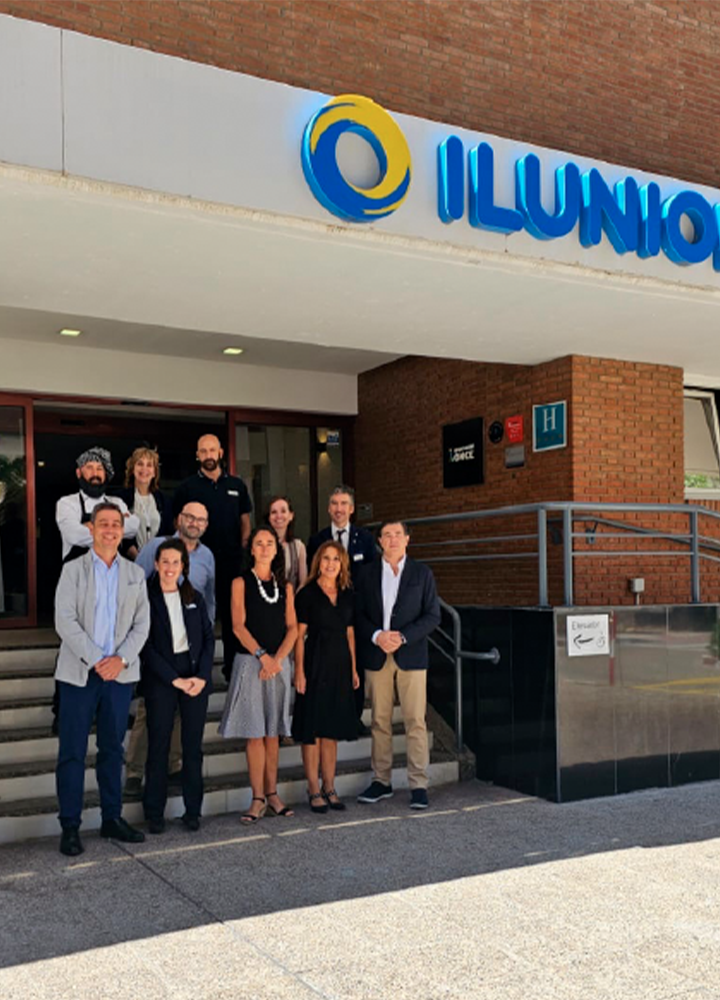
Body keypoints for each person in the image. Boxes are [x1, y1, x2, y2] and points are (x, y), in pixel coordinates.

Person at [54, 502, 150, 856]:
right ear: (90, 529)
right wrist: (98, 660)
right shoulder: (73, 570)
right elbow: (64, 620)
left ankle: (111, 817)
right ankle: (70, 825)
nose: (110, 530)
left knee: (113, 749)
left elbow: (143, 624)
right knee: (72, 752)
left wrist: (120, 659)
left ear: (122, 529)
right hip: (80, 673)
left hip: (120, 675)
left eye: (115, 524)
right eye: (103, 524)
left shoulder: (134, 574)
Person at [125, 501, 216, 796]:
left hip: (189, 649)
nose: (194, 522)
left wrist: (203, 640)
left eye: (200, 519)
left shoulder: (207, 556)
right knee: (147, 717)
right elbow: (136, 584)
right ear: (179, 518)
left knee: (182, 722)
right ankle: (135, 772)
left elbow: (209, 599)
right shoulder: (157, 547)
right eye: (189, 516)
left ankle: (174, 766)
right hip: (158, 646)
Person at [355, 520, 441, 811]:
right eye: (387, 535)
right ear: (379, 540)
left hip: (411, 655)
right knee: (380, 721)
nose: (392, 540)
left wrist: (402, 637)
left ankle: (418, 784)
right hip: (377, 654)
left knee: (415, 721)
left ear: (407, 539)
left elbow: (433, 616)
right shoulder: (365, 574)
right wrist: (378, 636)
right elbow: (358, 614)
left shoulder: (422, 573)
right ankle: (382, 780)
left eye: (397, 535)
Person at [218, 526, 297, 823]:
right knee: (254, 733)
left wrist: (277, 660)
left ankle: (273, 794)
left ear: (277, 549)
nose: (264, 547)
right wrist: (263, 657)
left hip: (278, 664)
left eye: (269, 543)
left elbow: (292, 627)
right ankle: (257, 797)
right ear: (251, 549)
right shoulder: (240, 582)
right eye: (259, 543)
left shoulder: (285, 586)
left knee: (273, 733)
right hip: (252, 663)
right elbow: (238, 626)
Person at [141, 538, 214, 833]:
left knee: (192, 748)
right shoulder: (145, 598)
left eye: (176, 562)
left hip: (194, 676)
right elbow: (144, 646)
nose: (171, 568)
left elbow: (208, 638)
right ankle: (154, 813)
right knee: (158, 745)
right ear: (156, 564)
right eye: (165, 562)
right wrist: (174, 679)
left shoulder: (193, 595)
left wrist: (203, 676)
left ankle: (192, 811)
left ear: (184, 565)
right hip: (162, 678)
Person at [173, 434, 252, 681]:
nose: (208, 455)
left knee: (232, 617)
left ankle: (231, 669)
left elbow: (245, 521)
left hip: (230, 562)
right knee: (196, 613)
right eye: (203, 451)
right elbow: (177, 522)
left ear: (220, 453)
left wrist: (242, 550)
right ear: (197, 455)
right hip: (197, 562)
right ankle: (196, 667)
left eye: (212, 450)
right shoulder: (187, 487)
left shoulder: (237, 486)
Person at [293, 541, 359, 813]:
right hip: (314, 663)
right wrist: (299, 671)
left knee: (331, 731)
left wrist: (354, 669)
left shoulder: (347, 593)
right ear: (318, 561)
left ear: (342, 563)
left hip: (340, 666)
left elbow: (350, 634)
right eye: (326, 558)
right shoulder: (307, 593)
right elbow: (298, 636)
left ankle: (330, 787)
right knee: (313, 731)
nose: (331, 564)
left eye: (336, 559)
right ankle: (313, 788)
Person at [307, 485, 377, 730]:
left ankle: (353, 717)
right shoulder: (317, 540)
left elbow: (372, 578)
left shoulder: (366, 540)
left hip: (355, 614)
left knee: (353, 663)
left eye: (344, 503)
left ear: (352, 508)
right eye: (335, 503)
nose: (339, 508)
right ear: (328, 508)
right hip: (326, 612)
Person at [56, 447, 139, 563]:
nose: (95, 474)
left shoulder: (117, 502)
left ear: (105, 474)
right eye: (89, 468)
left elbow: (133, 526)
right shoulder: (67, 503)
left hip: (112, 574)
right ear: (79, 473)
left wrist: (92, 526)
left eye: (100, 468)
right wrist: (115, 528)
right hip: (78, 575)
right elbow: (74, 535)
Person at [111, 446, 173, 557]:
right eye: (140, 464)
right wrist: (137, 557)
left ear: (154, 473)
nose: (144, 469)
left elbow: (168, 533)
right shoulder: (119, 498)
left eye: (149, 465)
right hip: (128, 561)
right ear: (132, 469)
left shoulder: (165, 500)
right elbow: (117, 531)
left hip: (158, 562)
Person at [266, 495, 307, 592]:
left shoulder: (299, 546)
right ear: (269, 517)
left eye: (283, 511)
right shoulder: (261, 544)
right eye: (274, 512)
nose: (278, 516)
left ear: (291, 516)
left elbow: (303, 582)